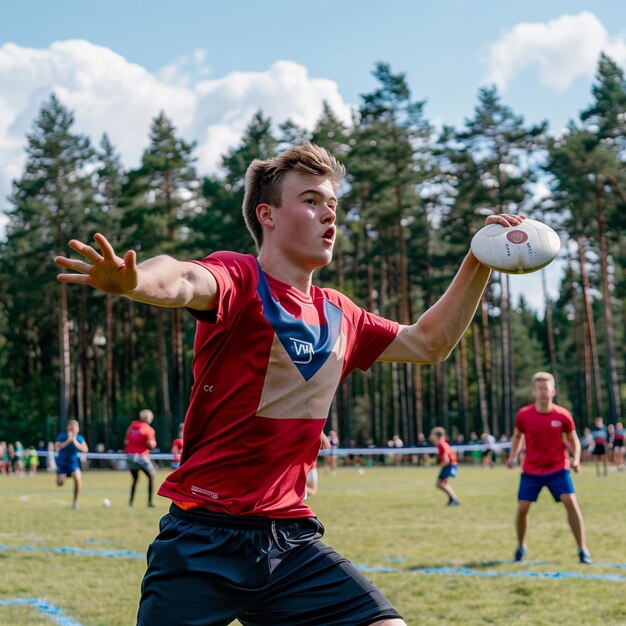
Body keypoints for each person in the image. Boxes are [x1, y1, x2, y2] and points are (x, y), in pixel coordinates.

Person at [55, 142, 523, 626]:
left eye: (333, 205)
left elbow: (429, 343)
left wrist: (479, 259)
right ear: (268, 215)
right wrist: (134, 282)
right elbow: (181, 278)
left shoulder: (343, 313)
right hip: (202, 541)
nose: (329, 216)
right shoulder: (239, 278)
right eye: (311, 200)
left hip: (290, 543)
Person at [506, 372, 591, 564]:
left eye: (546, 388)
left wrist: (576, 459)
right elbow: (518, 437)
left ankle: (582, 549)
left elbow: (573, 440)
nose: (543, 392)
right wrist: (512, 456)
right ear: (533, 392)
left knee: (570, 501)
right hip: (531, 470)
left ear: (553, 391)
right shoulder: (523, 415)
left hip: (558, 468)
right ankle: (521, 546)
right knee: (523, 507)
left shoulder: (563, 415)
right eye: (539, 389)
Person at [124, 409, 157, 507]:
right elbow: (151, 444)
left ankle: (131, 502)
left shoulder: (133, 425)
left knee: (135, 478)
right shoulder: (149, 429)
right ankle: (150, 502)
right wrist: (153, 444)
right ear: (150, 419)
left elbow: (126, 441)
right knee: (152, 475)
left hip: (129, 455)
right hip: (140, 456)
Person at [54, 420, 88, 509]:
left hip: (73, 464)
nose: (76, 429)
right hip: (62, 464)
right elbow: (57, 447)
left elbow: (85, 449)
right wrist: (68, 440)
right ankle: (63, 476)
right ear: (69, 427)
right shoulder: (62, 436)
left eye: (77, 427)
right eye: (74, 427)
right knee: (59, 483)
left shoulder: (79, 438)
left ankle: (75, 502)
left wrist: (74, 441)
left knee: (78, 479)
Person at [429, 427, 460, 506]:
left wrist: (440, 465)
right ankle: (452, 498)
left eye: (432, 434)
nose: (431, 436)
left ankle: (454, 498)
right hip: (451, 464)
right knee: (443, 483)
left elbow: (446, 460)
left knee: (440, 483)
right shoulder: (443, 443)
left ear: (437, 436)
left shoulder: (441, 445)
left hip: (449, 465)